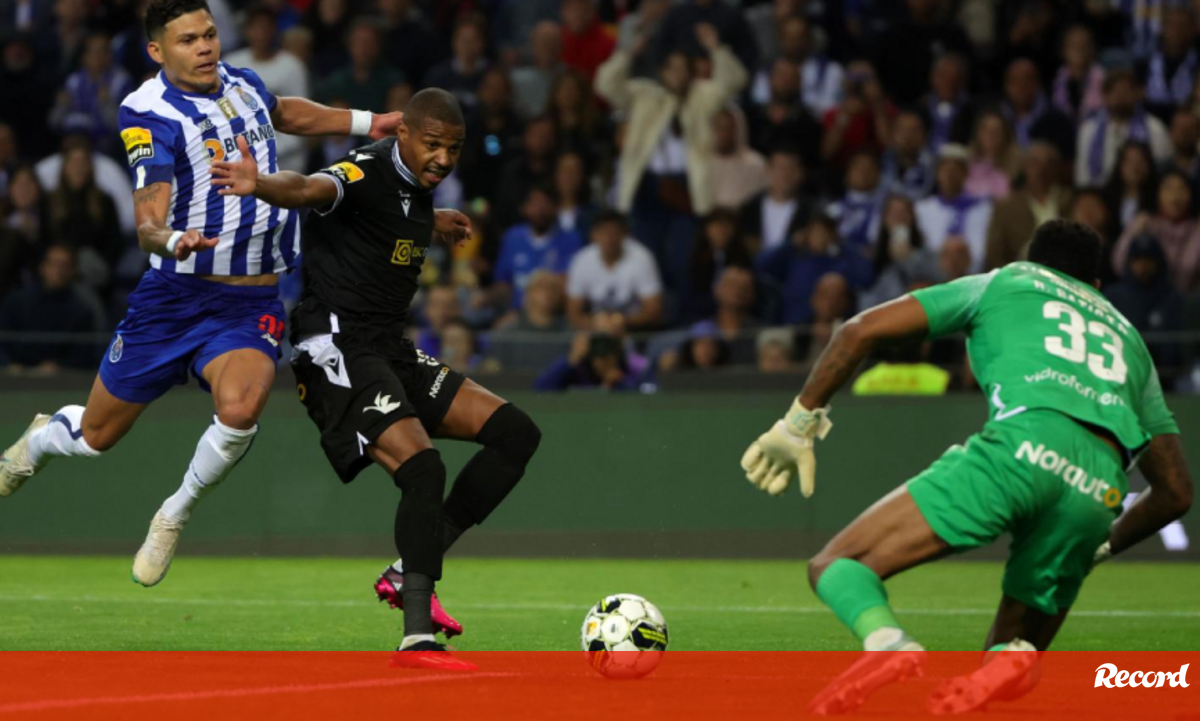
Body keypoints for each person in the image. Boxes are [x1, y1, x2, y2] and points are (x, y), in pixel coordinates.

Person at [0, 0, 403, 588]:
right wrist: (171, 238)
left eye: (209, 34)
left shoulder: (242, 82)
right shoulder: (148, 112)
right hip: (173, 299)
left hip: (249, 304)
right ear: (157, 51)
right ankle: (42, 439)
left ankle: (174, 512)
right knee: (97, 437)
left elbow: (284, 112)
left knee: (240, 410)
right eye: (188, 40)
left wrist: (370, 123)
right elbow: (147, 221)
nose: (206, 46)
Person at [741, 220, 1193, 712]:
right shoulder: (1131, 343)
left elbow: (858, 331)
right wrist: (1103, 544)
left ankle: (887, 641)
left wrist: (797, 424)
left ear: (1032, 260)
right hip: (1100, 485)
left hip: (1023, 445)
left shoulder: (1008, 280)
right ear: (1098, 286)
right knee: (1012, 648)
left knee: (838, 565)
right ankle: (1009, 657)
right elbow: (1175, 492)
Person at [210, 88, 541, 668]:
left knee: (516, 434)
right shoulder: (365, 169)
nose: (443, 158)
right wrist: (258, 183)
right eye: (433, 145)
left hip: (388, 348)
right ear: (403, 134)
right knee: (423, 468)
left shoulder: (416, 190)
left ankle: (412, 564)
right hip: (335, 345)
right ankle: (416, 636)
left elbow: (389, 218)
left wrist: (431, 221)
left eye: (454, 148)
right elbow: (309, 189)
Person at [223, 4, 310, 172]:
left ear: (275, 30)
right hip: (241, 159)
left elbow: (302, 117)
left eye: (266, 27)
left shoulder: (292, 66)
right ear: (247, 31)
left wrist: (261, 151)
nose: (261, 33)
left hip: (286, 163)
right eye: (256, 27)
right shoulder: (231, 64)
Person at [565, 211, 664, 331]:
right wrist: (595, 324)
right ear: (593, 235)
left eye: (614, 233)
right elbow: (573, 312)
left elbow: (654, 310)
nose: (609, 239)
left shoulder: (642, 258)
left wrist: (622, 321)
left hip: (634, 328)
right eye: (603, 233)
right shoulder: (581, 260)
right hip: (595, 328)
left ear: (625, 235)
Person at [1076, 69, 1171, 188]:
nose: (1120, 96)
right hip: (1098, 193)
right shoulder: (1088, 130)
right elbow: (1082, 176)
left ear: (1137, 94)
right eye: (1115, 91)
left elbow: (1162, 171)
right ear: (1104, 95)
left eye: (1126, 91)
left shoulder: (1155, 128)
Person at [985, 142, 1070, 269]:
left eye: (1049, 163)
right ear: (1025, 166)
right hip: (1020, 273)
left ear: (1057, 168)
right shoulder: (1006, 207)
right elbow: (994, 255)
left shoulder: (1069, 200)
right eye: (1035, 162)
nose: (1042, 169)